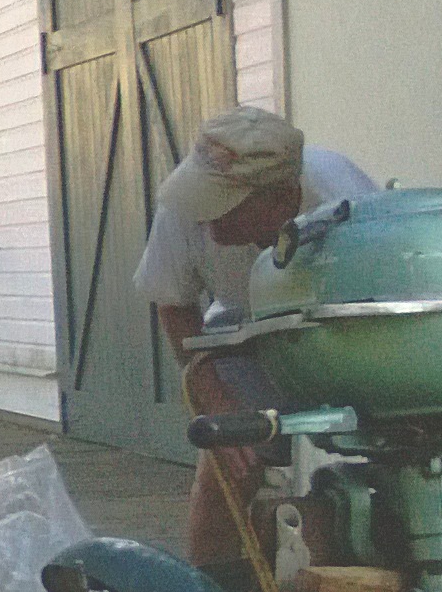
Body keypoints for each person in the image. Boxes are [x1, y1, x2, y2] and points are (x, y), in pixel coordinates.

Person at [137, 103, 377, 563]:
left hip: (347, 331)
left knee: (399, 457)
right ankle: (216, 589)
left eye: (222, 204)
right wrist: (217, 403)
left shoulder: (344, 200)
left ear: (283, 199)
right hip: (244, 327)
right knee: (227, 466)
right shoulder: (183, 207)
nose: (204, 216)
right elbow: (173, 303)